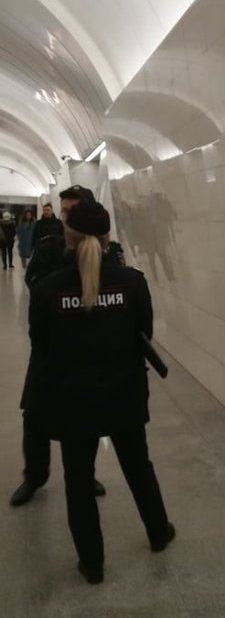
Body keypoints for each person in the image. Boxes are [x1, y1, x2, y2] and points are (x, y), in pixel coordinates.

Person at [24, 201, 174, 584]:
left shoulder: (46, 290)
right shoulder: (132, 282)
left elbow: (40, 350)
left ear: (67, 236)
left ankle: (92, 564)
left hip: (72, 401)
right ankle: (159, 533)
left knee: (78, 478)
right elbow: (145, 335)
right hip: (123, 393)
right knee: (139, 466)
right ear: (108, 238)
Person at [11, 187, 113, 507]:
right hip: (50, 347)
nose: (67, 217)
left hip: (87, 348)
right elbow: (34, 285)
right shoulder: (49, 247)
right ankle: (34, 476)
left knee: (86, 416)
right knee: (35, 414)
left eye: (74, 210)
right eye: (64, 210)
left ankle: (85, 472)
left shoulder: (104, 250)